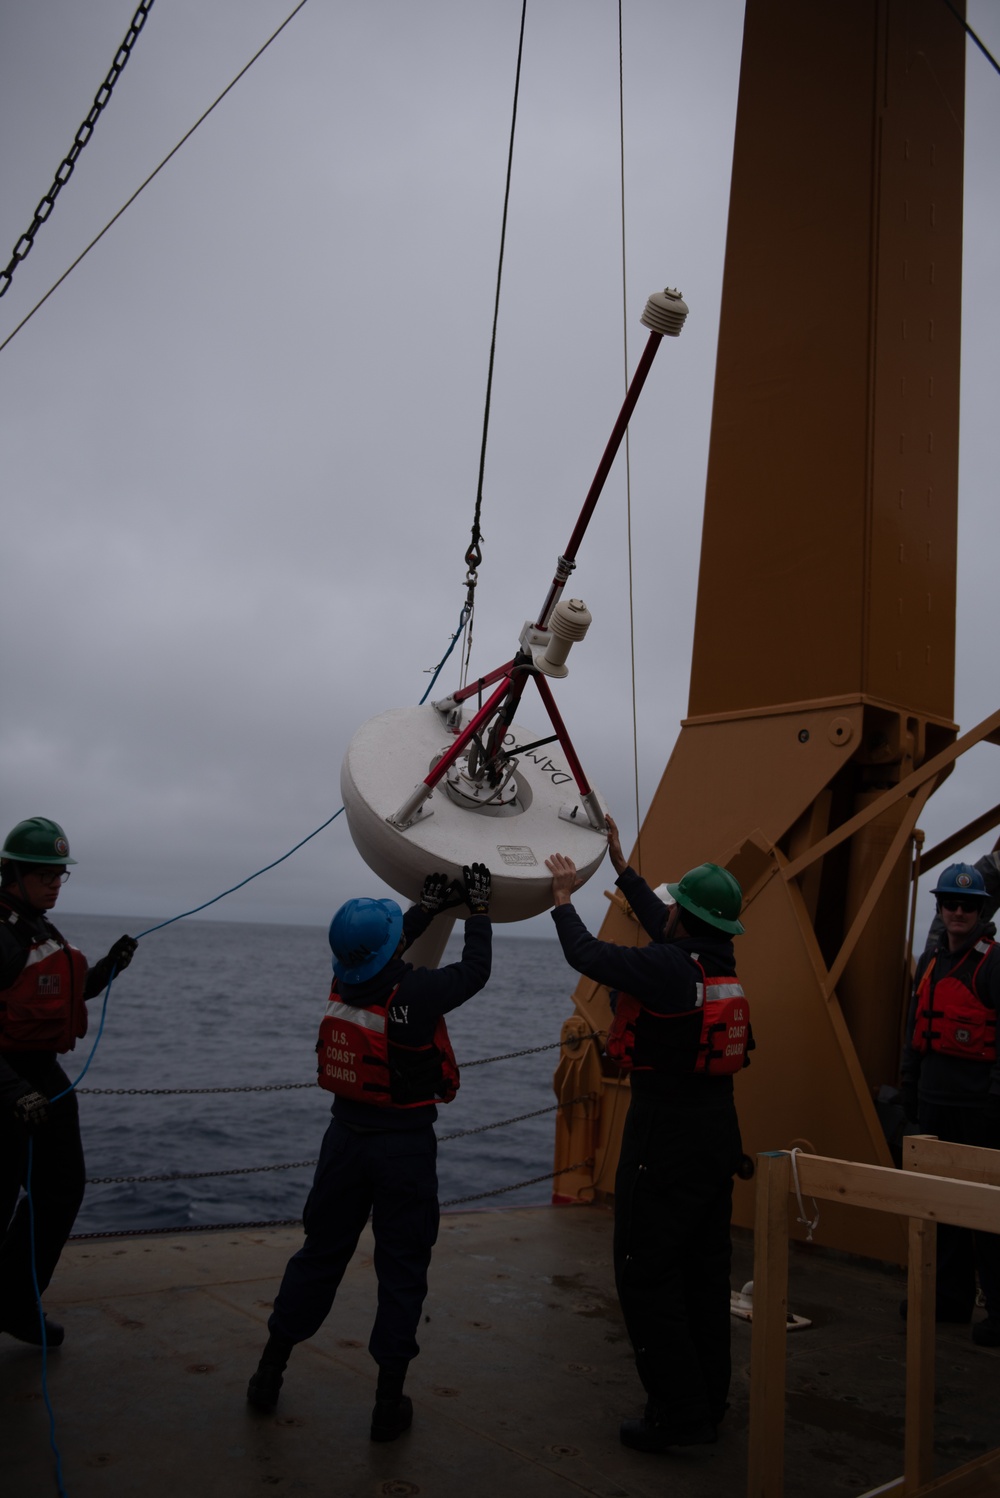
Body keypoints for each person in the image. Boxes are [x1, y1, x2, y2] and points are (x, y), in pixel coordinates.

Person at [246, 863, 493, 1441]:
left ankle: (268, 1372)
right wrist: (478, 911)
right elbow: (476, 971)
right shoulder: (420, 993)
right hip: (403, 1149)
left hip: (343, 1143)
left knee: (319, 1253)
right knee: (402, 1267)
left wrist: (426, 911)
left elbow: (377, 952)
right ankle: (387, 1404)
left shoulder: (343, 986)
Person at [545, 816, 751, 1453]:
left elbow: (586, 954)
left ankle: (678, 1415)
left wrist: (562, 901)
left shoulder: (665, 969)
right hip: (717, 1140)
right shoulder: (721, 967)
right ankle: (707, 1401)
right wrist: (618, 865)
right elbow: (667, 924)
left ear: (684, 919)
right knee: (702, 1275)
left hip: (664, 1136)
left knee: (645, 1272)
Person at [0, 816, 137, 1347]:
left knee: (60, 1189)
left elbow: (57, 997)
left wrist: (108, 969)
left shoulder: (37, 926)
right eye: (44, 874)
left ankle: (14, 1297)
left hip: (43, 1080)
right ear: (13, 874)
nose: (56, 883)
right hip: (8, 1085)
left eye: (61, 874)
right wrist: (13, 1092)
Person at [900, 860, 1000, 1345]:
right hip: (934, 1100)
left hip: (978, 1107)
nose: (959, 912)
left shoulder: (994, 963)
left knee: (986, 1215)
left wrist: (995, 1099)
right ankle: (948, 1300)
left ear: (981, 911)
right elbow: (915, 1023)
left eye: (969, 906)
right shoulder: (932, 961)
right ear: (940, 907)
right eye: (951, 904)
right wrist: (907, 1083)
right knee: (941, 1207)